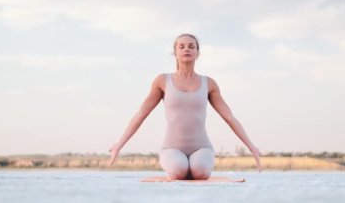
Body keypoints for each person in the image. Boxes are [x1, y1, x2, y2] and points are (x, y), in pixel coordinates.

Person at [109, 33, 261, 180]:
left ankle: (195, 170)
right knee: (178, 172)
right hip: (171, 147)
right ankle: (183, 169)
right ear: (175, 52)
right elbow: (141, 114)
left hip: (202, 147)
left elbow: (229, 117)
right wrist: (119, 145)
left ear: (197, 53)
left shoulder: (208, 83)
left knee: (200, 172)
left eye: (191, 46)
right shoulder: (162, 81)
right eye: (181, 47)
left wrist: (251, 146)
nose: (186, 49)